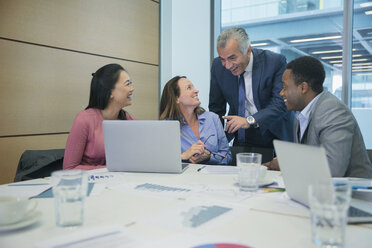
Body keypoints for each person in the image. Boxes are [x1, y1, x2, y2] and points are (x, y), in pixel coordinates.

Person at [264, 56, 372, 178]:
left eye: (285, 87)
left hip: (352, 193)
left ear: (303, 88)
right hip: (318, 189)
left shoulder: (332, 110)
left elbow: (333, 170)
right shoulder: (300, 113)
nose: (281, 93)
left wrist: (287, 162)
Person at [209, 27, 293, 163]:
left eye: (232, 58)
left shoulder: (274, 62)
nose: (228, 66)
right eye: (223, 59)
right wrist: (216, 143)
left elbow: (281, 103)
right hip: (241, 137)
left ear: (248, 50)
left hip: (272, 135)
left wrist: (250, 120)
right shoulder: (218, 66)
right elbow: (216, 108)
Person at [63, 64, 136, 170]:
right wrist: (108, 169)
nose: (132, 88)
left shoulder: (130, 120)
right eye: (127, 84)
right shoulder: (84, 120)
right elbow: (69, 169)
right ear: (110, 92)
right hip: (89, 183)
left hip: (118, 183)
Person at [160, 76, 232, 165]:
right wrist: (183, 155)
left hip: (212, 177)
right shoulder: (166, 126)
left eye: (193, 87)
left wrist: (209, 157)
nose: (196, 90)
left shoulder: (212, 118)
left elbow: (228, 157)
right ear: (176, 98)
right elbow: (159, 159)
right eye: (189, 88)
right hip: (183, 178)